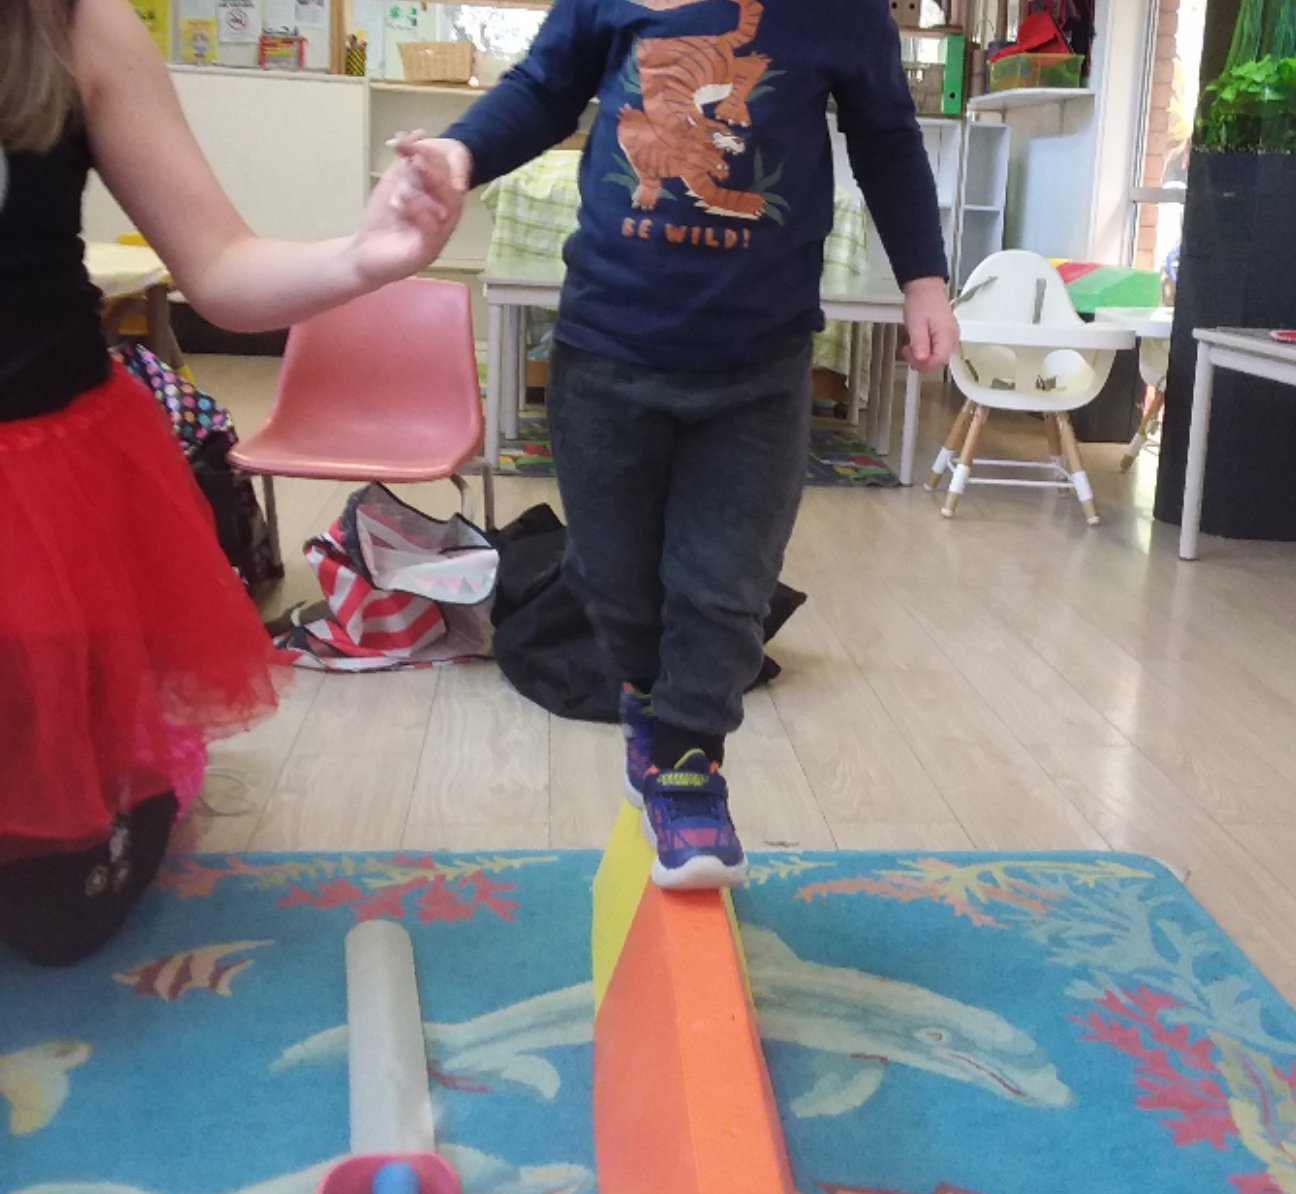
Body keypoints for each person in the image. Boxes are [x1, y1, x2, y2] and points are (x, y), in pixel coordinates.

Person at [402, 0, 958, 889]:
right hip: (606, 356)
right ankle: (644, 703)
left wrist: (924, 281)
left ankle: (690, 766)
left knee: (724, 586)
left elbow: (887, 136)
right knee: (616, 583)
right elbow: (543, 88)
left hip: (759, 366)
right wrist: (461, 153)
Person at [0, 0, 459, 966]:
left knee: (53, 918)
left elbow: (218, 265)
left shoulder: (75, 27)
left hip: (41, 480)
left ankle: (139, 783)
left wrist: (363, 257)